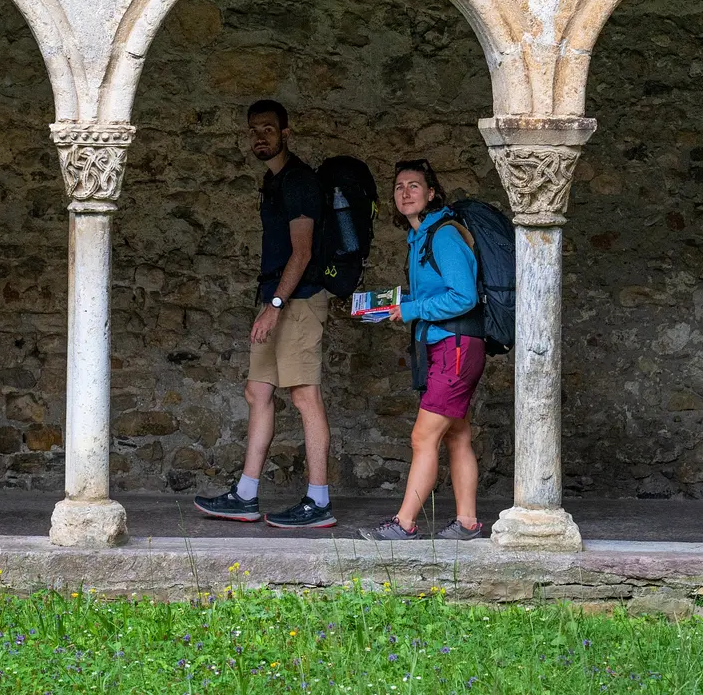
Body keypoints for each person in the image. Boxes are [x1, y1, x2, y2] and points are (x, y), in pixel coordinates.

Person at [194, 99, 336, 529]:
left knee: (303, 395)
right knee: (258, 391)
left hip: (300, 299)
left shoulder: (298, 182)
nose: (261, 136)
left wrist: (274, 306)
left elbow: (303, 251)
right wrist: (271, 302)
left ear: (285, 134)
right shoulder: (272, 181)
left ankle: (319, 501)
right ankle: (245, 494)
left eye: (269, 129)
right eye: (254, 129)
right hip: (276, 298)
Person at [359, 159, 492, 541]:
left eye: (414, 185)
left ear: (431, 194)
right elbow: (433, 295)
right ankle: (467, 523)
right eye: (399, 186)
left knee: (422, 437)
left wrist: (413, 309)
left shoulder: (444, 236)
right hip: (446, 345)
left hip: (456, 346)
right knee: (457, 435)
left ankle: (404, 524)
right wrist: (391, 306)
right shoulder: (419, 239)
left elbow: (463, 296)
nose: (405, 192)